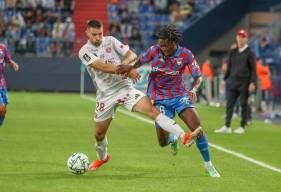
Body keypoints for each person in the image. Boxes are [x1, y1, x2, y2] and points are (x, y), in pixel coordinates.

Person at [78, 20, 197, 172]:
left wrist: (127, 66)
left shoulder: (111, 41)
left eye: (100, 34)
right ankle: (103, 158)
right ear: (87, 33)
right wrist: (125, 69)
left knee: (152, 111)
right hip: (105, 95)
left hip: (124, 88)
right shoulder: (84, 51)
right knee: (99, 135)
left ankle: (183, 136)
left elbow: (131, 55)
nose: (98, 38)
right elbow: (101, 66)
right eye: (94, 35)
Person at [117, 25, 220, 177]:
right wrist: (130, 68)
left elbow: (198, 76)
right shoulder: (154, 51)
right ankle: (172, 138)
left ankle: (208, 165)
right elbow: (139, 62)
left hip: (179, 97)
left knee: (197, 128)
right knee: (162, 142)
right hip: (159, 99)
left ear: (173, 42)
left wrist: (193, 90)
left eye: (165, 45)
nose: (162, 47)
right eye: (161, 44)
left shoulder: (185, 55)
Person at [215, 29, 256, 134]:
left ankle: (242, 126)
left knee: (243, 104)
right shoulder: (233, 51)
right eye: (239, 36)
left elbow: (253, 70)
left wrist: (252, 82)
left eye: (242, 37)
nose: (240, 38)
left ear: (246, 39)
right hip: (232, 81)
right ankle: (227, 126)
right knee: (229, 104)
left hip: (244, 82)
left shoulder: (250, 53)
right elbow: (229, 67)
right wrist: (224, 79)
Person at [0, 43, 19, 127]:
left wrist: (13, 64)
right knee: (1, 107)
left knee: (4, 111)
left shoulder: (3, 47)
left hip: (1, 82)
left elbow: (8, 60)